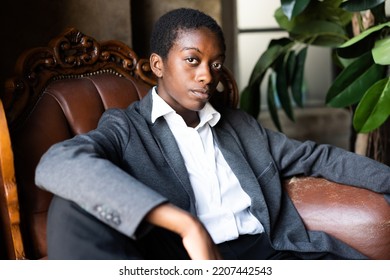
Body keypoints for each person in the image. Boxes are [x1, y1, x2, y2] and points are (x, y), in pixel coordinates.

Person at [35, 8, 390, 260]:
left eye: (216, 63)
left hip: (269, 254)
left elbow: (317, 157)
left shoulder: (239, 125)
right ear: (158, 64)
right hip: (181, 257)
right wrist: (187, 226)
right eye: (192, 60)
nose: (207, 75)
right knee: (68, 209)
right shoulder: (127, 128)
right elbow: (58, 163)